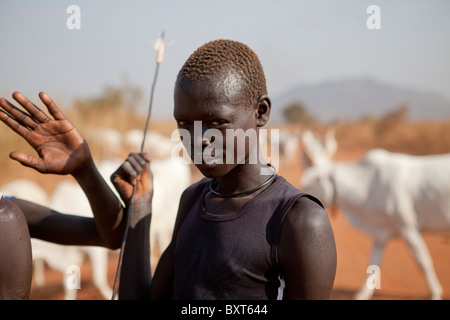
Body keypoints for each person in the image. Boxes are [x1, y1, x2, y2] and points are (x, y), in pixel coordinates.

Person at [0, 39, 336, 300]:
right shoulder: (193, 200)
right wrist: (140, 207)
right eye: (184, 124)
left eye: (217, 123)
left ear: (260, 112)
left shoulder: (298, 220)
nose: (198, 140)